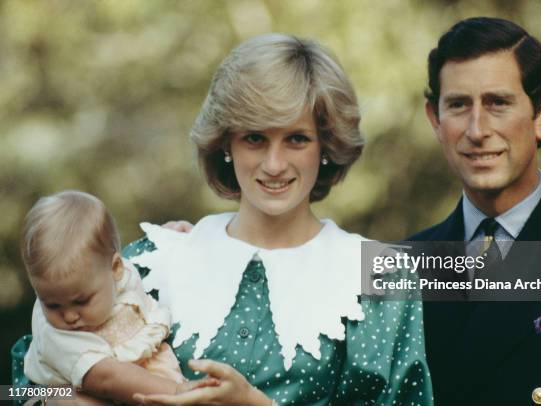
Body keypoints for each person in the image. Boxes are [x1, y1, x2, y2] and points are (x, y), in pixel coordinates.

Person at [13, 34, 433, 405]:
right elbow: (19, 386)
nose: (273, 164)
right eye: (254, 137)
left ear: (325, 147)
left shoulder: (378, 276)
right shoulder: (149, 263)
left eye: (296, 139)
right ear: (226, 143)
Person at [409, 17, 541, 405]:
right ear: (435, 118)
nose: (477, 129)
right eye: (458, 105)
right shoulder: (402, 266)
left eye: (497, 103)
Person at [18, 190, 215, 405]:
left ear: (116, 268)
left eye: (81, 301)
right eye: (52, 304)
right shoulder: (55, 336)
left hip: (140, 374)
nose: (70, 316)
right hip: (83, 387)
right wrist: (179, 392)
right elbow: (108, 379)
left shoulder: (115, 270)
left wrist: (168, 237)